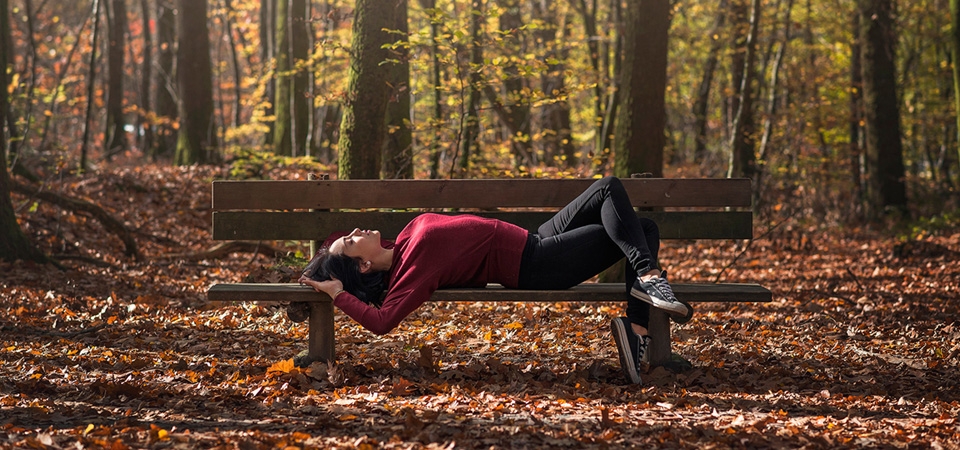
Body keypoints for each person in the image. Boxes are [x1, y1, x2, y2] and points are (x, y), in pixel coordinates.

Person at [298, 176, 691, 384]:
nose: (353, 230)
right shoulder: (411, 274)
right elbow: (382, 322)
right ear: (362, 267)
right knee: (639, 224)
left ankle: (637, 323)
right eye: (349, 242)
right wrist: (336, 293)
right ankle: (647, 292)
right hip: (536, 264)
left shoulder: (402, 243)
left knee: (615, 195)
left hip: (535, 239)